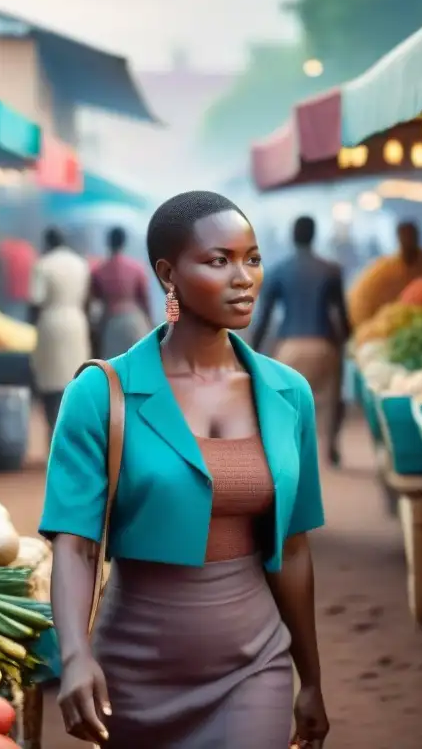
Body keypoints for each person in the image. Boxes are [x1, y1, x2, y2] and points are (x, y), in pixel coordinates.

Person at [42, 191, 328, 748]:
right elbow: (73, 545)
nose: (244, 277)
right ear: (168, 274)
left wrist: (311, 678)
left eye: (252, 258)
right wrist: (74, 655)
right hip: (132, 676)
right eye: (219, 261)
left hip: (255, 664)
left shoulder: (289, 394)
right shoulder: (102, 394)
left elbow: (293, 549)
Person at [252, 215, 350, 467]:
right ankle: (331, 447)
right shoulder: (331, 270)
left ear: (292, 237)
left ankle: (287, 452)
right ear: (314, 235)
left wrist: (250, 350)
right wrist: (345, 345)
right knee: (331, 399)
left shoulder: (277, 271)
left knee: (285, 403)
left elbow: (263, 319)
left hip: (289, 347)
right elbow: (343, 318)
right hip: (324, 343)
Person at [29, 227, 91, 434]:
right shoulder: (81, 264)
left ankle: (53, 434)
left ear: (47, 242)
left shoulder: (43, 265)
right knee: (74, 381)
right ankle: (73, 437)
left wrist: (31, 328)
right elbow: (88, 300)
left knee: (49, 383)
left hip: (51, 324)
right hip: (76, 323)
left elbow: (35, 301)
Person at [347, 220, 422, 329]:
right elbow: (360, 301)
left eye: (411, 236)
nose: (408, 241)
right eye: (405, 237)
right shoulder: (383, 271)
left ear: (417, 237)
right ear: (399, 239)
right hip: (380, 327)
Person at [90, 226, 152, 359]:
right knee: (137, 364)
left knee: (114, 369)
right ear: (124, 243)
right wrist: (150, 322)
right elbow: (144, 300)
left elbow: (94, 300)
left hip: (110, 323)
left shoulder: (99, 270)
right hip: (134, 321)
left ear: (108, 243)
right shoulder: (136, 268)